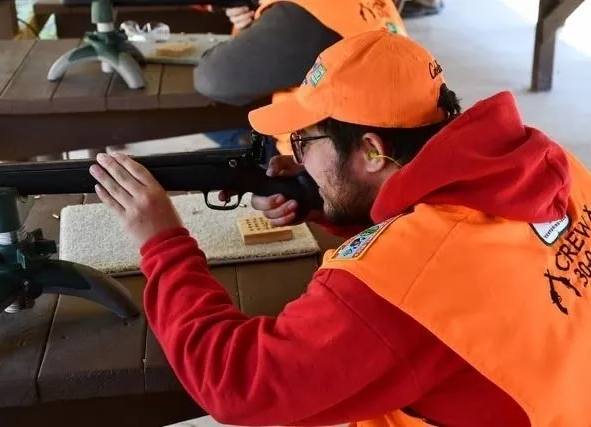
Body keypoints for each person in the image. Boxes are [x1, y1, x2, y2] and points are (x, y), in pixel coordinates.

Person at [88, 29, 591, 426]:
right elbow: (464, 255)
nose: (295, 155)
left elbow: (236, 384)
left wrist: (162, 241)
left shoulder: (400, 283)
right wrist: (325, 203)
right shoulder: (553, 167)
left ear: (372, 150)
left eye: (304, 141)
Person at [196, 0, 406, 153]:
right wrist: (252, 24)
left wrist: (251, 29)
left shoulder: (300, 16)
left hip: (319, 161)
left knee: (204, 122)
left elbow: (213, 79)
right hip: (378, 144)